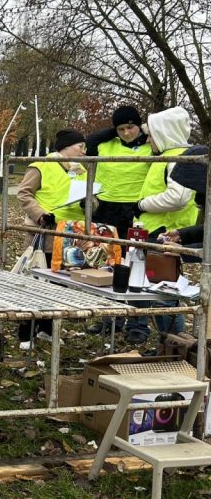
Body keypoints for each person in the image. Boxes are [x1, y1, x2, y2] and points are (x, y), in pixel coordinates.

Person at [125, 106, 199, 343]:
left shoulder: (180, 158)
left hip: (166, 234)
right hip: (157, 232)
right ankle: (168, 344)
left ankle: (175, 345)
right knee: (157, 290)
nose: (147, 140)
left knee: (165, 293)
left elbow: (178, 197)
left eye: (151, 134)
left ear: (163, 132)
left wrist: (143, 204)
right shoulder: (170, 157)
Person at [84, 105, 153, 335]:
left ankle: (137, 324)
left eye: (131, 127)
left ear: (139, 126)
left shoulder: (149, 147)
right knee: (106, 264)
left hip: (135, 213)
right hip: (106, 210)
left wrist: (143, 131)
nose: (126, 132)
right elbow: (90, 139)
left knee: (136, 267)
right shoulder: (105, 145)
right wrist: (114, 129)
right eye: (121, 128)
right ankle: (108, 319)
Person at [16, 128, 87, 343]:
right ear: (66, 147)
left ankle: (47, 328)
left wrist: (88, 203)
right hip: (44, 233)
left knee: (58, 283)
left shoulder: (81, 170)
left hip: (69, 234)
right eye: (80, 146)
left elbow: (89, 196)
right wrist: (40, 215)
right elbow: (24, 192)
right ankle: (25, 333)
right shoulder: (41, 166)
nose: (84, 151)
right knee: (35, 282)